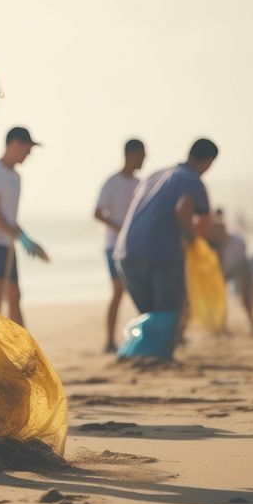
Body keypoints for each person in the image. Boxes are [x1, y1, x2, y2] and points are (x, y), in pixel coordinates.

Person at [113, 139, 218, 358]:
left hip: (126, 253)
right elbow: (183, 211)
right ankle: (160, 357)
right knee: (168, 312)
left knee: (149, 315)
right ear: (209, 162)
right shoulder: (192, 181)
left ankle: (140, 356)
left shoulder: (154, 175)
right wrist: (193, 242)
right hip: (161, 254)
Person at [0, 126, 49, 327]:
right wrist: (20, 238)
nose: (29, 153)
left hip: (6, 244)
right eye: (28, 148)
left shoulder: (16, 177)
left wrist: (26, 239)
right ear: (15, 144)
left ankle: (22, 346)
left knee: (15, 295)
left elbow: (9, 217)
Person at [93, 139, 145, 352]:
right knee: (118, 290)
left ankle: (142, 335)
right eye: (142, 155)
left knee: (138, 291)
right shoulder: (112, 183)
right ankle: (109, 340)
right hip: (113, 246)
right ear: (131, 155)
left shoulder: (140, 184)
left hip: (133, 246)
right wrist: (121, 228)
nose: (144, 159)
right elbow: (98, 213)